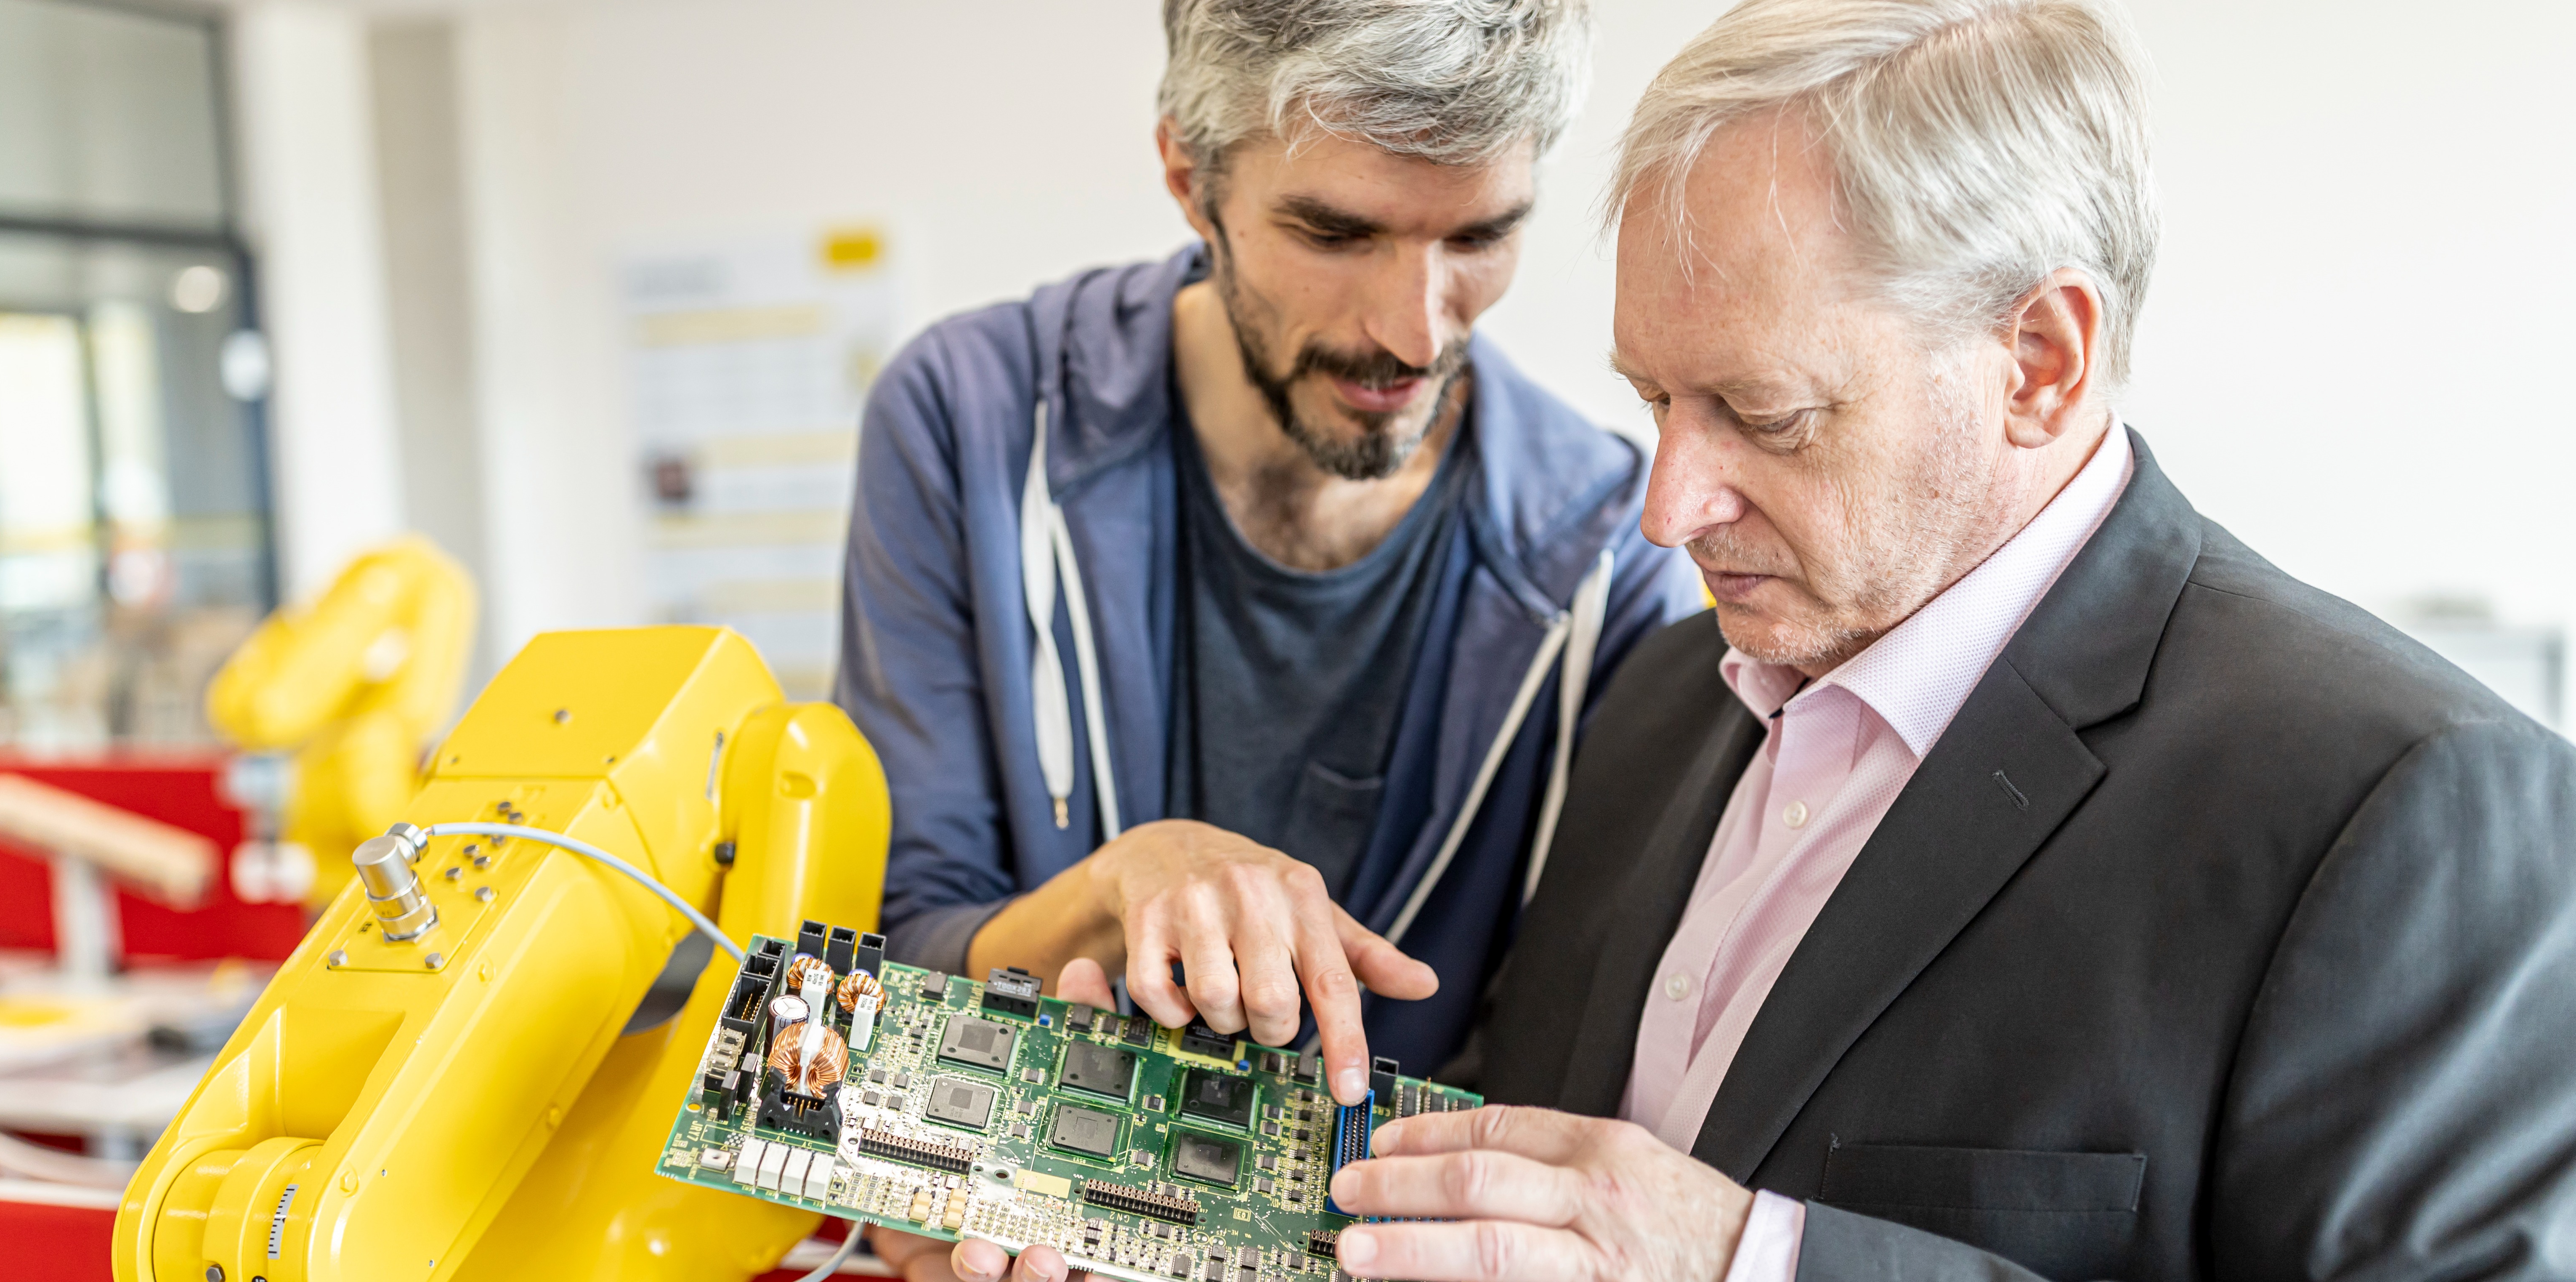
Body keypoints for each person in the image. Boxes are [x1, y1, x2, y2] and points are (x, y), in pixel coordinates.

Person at [969, 0, 2576, 1279]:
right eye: (1654, 400)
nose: (1666, 508)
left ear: (2039, 360)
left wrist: (1755, 1265)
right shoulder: (1669, 704)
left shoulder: (2410, 808)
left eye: (1760, 412)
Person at [836, 0, 1697, 1125]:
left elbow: (1573, 1063)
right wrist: (1120, 887)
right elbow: (887, 958)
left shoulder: (1614, 552)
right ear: (1190, 180)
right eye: (1337, 236)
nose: (1415, 334)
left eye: (1479, 238)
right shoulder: (975, 422)